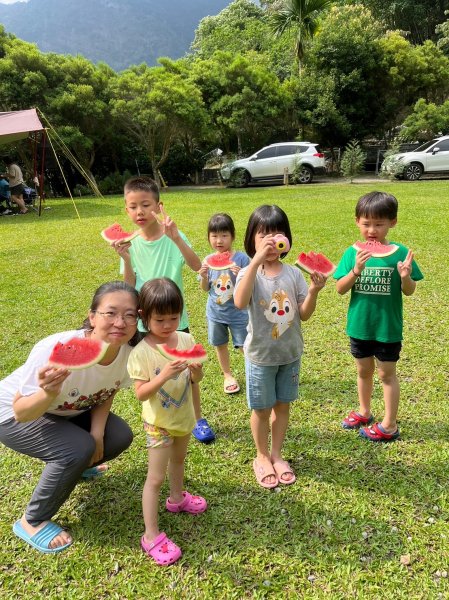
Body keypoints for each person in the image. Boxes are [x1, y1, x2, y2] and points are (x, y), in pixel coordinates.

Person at [0, 281, 139, 553]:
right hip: (12, 415)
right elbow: (22, 411)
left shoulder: (128, 353)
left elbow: (106, 391)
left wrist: (97, 433)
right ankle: (32, 520)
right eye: (110, 313)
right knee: (78, 448)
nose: (120, 322)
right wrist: (48, 392)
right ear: (92, 317)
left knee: (118, 436)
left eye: (130, 315)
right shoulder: (55, 348)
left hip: (67, 412)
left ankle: (78, 466)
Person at [111, 175, 215, 443]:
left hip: (174, 319)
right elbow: (129, 285)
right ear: (126, 209)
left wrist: (177, 238)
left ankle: (197, 418)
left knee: (188, 371)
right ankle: (160, 419)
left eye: (145, 205)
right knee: (152, 372)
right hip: (146, 322)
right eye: (133, 207)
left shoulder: (172, 236)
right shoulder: (130, 244)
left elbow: (195, 266)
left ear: (158, 205)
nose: (139, 212)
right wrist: (125, 258)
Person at [234, 205, 327, 488]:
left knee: (282, 407)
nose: (271, 241)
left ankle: (276, 454)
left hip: (289, 353)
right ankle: (261, 456)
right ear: (252, 239)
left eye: (277, 234)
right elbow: (239, 302)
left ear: (287, 238)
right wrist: (254, 263)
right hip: (260, 356)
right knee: (261, 410)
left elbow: (305, 313)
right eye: (263, 234)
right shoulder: (247, 273)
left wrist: (313, 291)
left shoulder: (294, 274)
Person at [127, 278, 207, 566]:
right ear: (143, 317)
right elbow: (140, 394)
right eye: (159, 319)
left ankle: (177, 499)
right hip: (157, 424)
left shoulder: (185, 340)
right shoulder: (140, 353)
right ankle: (150, 535)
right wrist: (163, 376)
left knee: (180, 461)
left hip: (183, 417)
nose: (168, 325)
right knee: (155, 478)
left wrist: (195, 371)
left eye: (174, 318)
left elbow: (195, 380)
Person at [334, 191, 423, 442]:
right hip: (360, 326)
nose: (372, 230)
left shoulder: (400, 253)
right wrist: (356, 270)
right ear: (357, 222)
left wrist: (405, 277)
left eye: (379, 224)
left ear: (392, 222)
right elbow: (340, 289)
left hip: (387, 328)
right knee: (363, 371)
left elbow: (410, 291)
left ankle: (390, 424)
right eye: (366, 224)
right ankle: (364, 411)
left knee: (386, 374)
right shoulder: (352, 253)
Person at [198, 213, 250, 394]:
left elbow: (248, 288)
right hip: (215, 313)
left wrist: (239, 275)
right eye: (214, 236)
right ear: (209, 238)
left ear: (233, 236)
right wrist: (204, 276)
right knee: (220, 345)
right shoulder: (207, 261)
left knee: (245, 345)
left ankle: (254, 373)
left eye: (224, 235)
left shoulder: (242, 259)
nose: (219, 241)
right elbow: (205, 288)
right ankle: (227, 375)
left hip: (238, 313)